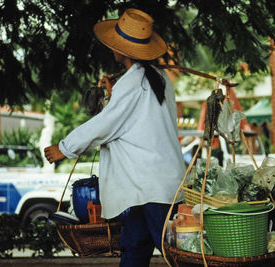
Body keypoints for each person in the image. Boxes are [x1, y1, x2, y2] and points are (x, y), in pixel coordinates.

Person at [44, 8, 185, 267]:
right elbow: (134, 121)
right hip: (148, 187)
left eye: (115, 45)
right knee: (133, 247)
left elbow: (104, 125)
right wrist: (112, 95)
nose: (112, 49)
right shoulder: (158, 78)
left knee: (174, 255)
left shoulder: (133, 83)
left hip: (151, 187)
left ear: (126, 50)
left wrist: (64, 148)